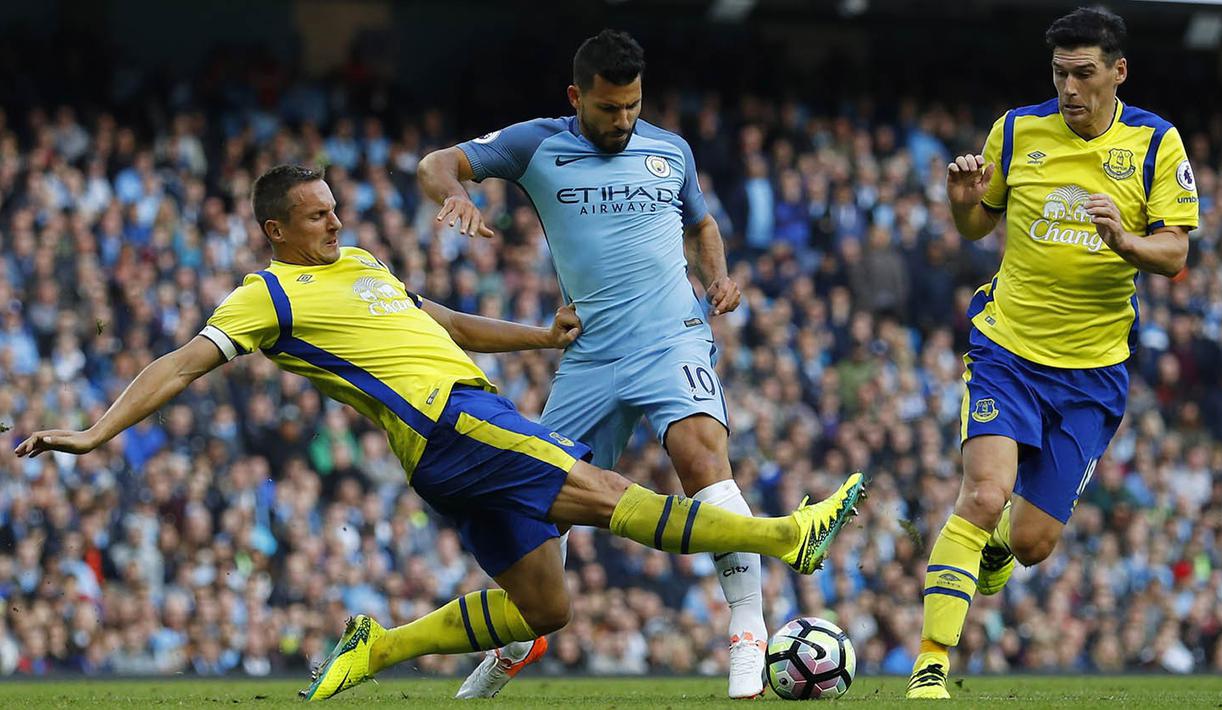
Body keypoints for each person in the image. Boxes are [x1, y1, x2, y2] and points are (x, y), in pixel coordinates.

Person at [14, 165, 867, 702]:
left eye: (335, 210)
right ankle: (786, 534)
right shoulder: (264, 295)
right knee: (608, 496)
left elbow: (437, 319)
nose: (336, 224)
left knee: (546, 607)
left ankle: (375, 648)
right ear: (276, 230)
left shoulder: (362, 266)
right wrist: (94, 433)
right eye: (317, 218)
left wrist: (535, 336)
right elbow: (178, 363)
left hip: (443, 451)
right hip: (455, 422)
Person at [418, 30, 766, 699]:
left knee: (700, 456)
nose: (623, 122)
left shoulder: (671, 150)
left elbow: (701, 225)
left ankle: (747, 631)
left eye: (633, 107)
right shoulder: (535, 145)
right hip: (589, 355)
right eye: (609, 110)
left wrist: (716, 277)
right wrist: (453, 195)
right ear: (577, 97)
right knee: (544, 513)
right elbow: (437, 162)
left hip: (672, 338)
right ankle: (519, 638)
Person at [906, 7, 1198, 699]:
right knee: (981, 493)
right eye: (1060, 73)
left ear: (1116, 72)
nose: (1069, 88)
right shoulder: (1014, 130)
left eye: (1084, 74)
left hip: (1091, 374)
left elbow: (1175, 251)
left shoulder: (1156, 143)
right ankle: (929, 664)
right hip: (1006, 350)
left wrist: (1127, 242)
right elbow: (978, 224)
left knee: (1032, 542)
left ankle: (1001, 550)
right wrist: (960, 202)